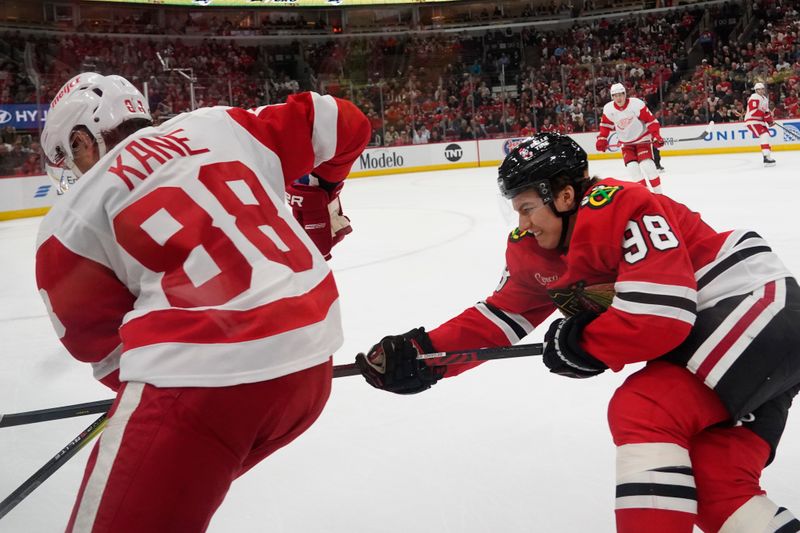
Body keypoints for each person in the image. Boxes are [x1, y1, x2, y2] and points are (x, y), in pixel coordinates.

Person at [357, 133, 800, 532]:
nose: (523, 223)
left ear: (566, 195)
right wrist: (424, 354)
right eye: (516, 210)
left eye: (529, 207)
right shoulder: (536, 252)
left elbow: (664, 316)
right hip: (740, 349)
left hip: (755, 307)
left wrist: (581, 343)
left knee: (643, 408)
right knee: (715, 488)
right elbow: (498, 318)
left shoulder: (620, 205)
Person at [36, 72, 370, 532]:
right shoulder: (219, 124)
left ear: (82, 139)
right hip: (311, 365)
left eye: (65, 157)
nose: (69, 173)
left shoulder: (65, 227)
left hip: (200, 388)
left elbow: (108, 355)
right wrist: (315, 210)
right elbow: (345, 121)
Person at [595, 83, 665, 193]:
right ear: (612, 97)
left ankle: (659, 194)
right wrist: (602, 139)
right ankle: (646, 195)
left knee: (647, 165)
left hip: (642, 139)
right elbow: (605, 126)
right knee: (633, 169)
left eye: (620, 95)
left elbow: (650, 120)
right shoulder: (608, 109)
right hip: (626, 144)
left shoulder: (636, 104)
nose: (618, 98)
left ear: (625, 94)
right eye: (615, 95)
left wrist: (656, 135)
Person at [745, 82, 776, 166]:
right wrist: (765, 116)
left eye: (762, 89)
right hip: (752, 120)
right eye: (759, 89)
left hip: (760, 121)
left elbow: (765, 112)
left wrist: (769, 121)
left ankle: (767, 157)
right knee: (764, 135)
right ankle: (766, 157)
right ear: (756, 90)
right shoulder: (754, 97)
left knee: (767, 137)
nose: (761, 90)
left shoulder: (765, 99)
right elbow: (753, 111)